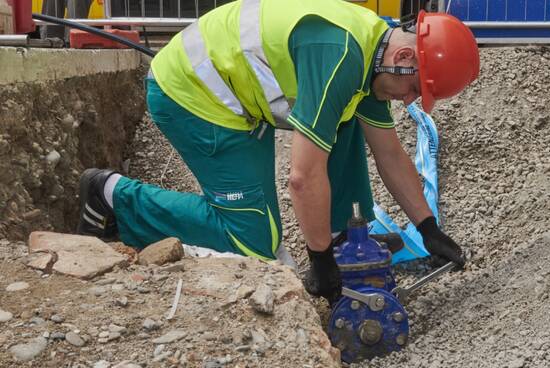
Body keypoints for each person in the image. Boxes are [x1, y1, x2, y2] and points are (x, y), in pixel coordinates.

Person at [77, 0, 479, 304]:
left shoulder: (377, 50)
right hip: (193, 97)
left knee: (345, 119)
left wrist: (428, 228)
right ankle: (110, 193)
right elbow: (302, 178)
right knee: (254, 243)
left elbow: (389, 153)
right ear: (405, 59)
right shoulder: (341, 57)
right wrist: (318, 262)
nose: (408, 101)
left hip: (238, 98)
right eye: (413, 91)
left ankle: (343, 237)